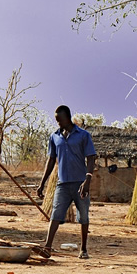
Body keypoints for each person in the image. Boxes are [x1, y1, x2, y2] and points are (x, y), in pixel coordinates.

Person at [37, 105, 96, 259]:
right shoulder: (54, 137)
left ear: (68, 118)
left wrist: (88, 179)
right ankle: (47, 247)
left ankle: (83, 249)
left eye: (60, 120)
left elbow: (91, 157)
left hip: (80, 183)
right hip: (62, 184)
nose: (58, 123)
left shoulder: (83, 136)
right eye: (56, 120)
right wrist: (42, 183)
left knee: (83, 216)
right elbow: (51, 160)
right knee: (55, 215)